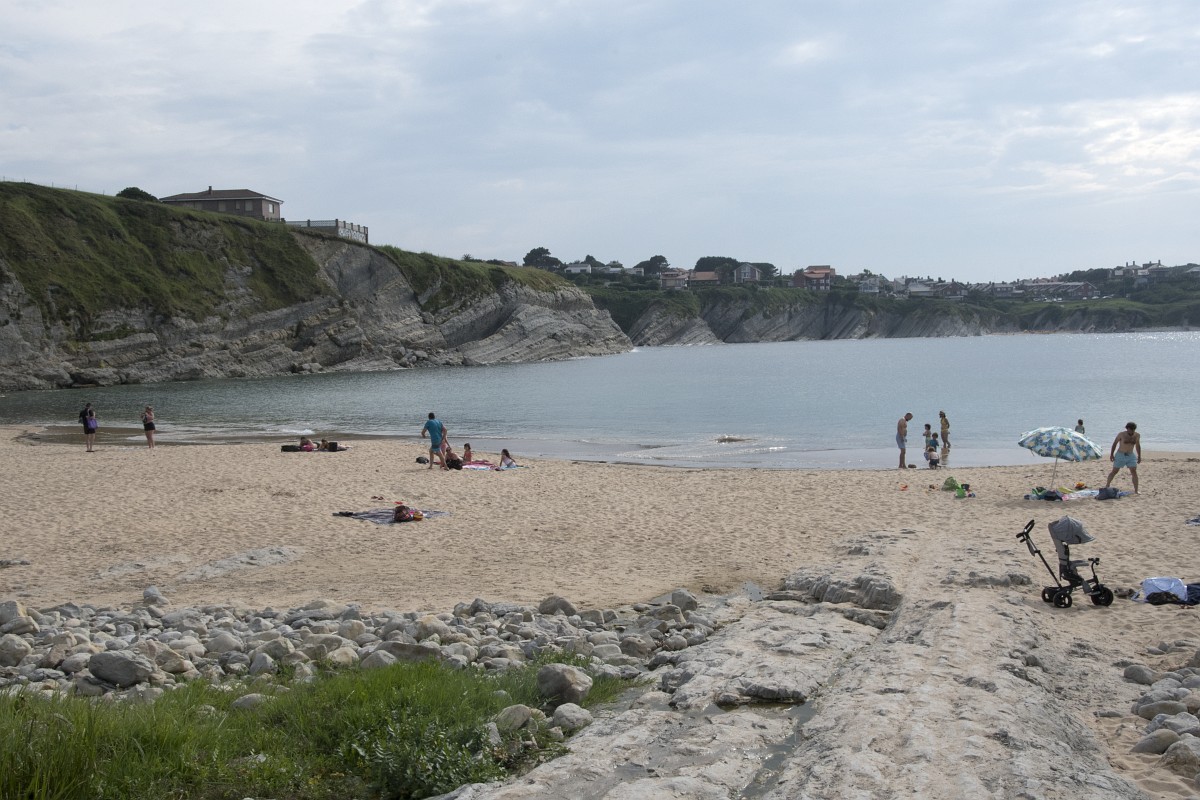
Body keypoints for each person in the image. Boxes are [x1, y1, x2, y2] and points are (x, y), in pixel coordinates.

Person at [1104, 422, 1142, 494]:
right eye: (1130, 430)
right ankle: (1107, 484)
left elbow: (1137, 445)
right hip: (1120, 454)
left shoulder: (1137, 435)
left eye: (1133, 430)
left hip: (1130, 455)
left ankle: (1136, 490)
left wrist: (1139, 456)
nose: (1132, 431)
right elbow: (1114, 444)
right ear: (1127, 429)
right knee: (1115, 471)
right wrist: (1111, 454)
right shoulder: (1121, 434)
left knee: (1134, 471)